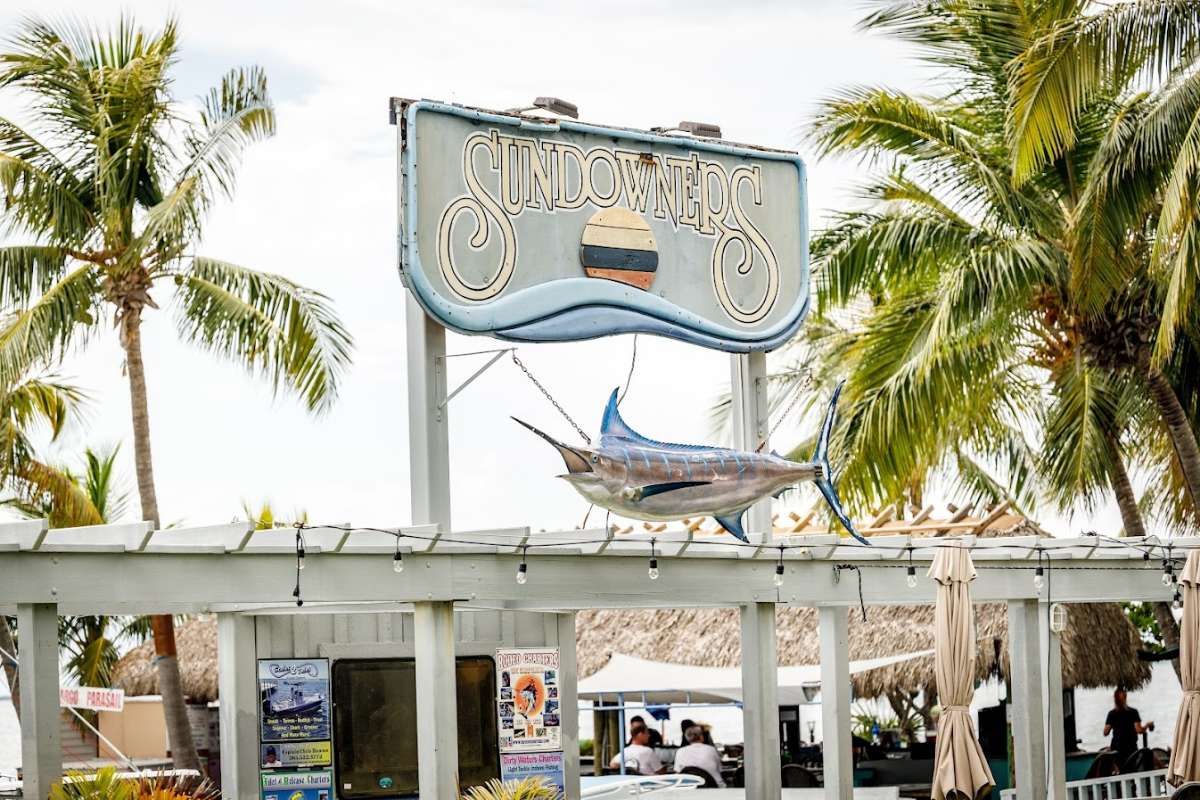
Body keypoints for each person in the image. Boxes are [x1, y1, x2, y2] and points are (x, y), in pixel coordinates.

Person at [1104, 688, 1154, 769]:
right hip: (1131, 749)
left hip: (1116, 749)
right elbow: (1139, 730)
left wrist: (1113, 723)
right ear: (1126, 697)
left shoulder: (1112, 714)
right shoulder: (1133, 712)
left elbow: (1105, 732)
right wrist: (1147, 725)